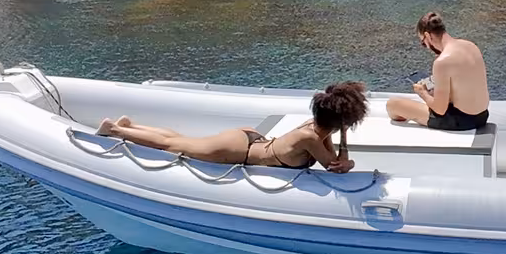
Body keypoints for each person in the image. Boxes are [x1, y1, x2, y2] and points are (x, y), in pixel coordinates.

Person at [98, 81, 369, 171]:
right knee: (174, 145)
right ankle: (117, 130)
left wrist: (340, 134)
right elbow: (336, 167)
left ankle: (131, 125)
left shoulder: (314, 129)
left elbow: (331, 155)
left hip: (249, 138)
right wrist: (348, 151)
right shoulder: (310, 137)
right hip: (239, 151)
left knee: (183, 139)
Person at [386, 11, 491, 131]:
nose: (426, 47)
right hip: (482, 116)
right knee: (434, 93)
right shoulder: (470, 45)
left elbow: (440, 109)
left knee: (393, 105)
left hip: (460, 121)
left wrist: (422, 93)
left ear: (428, 35)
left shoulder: (442, 61)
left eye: (423, 43)